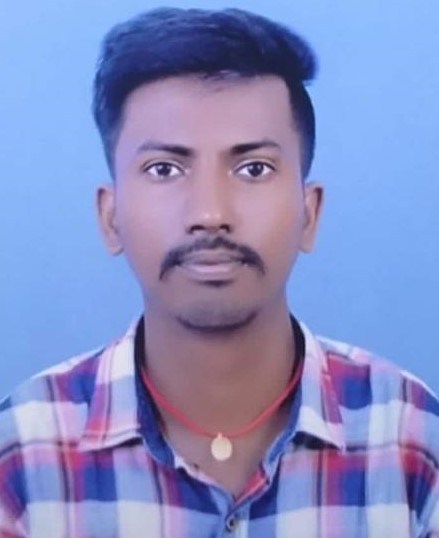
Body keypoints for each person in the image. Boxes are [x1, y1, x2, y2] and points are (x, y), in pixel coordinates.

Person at [0, 7, 438, 537]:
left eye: (254, 168)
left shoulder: (413, 440)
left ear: (310, 213)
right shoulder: (22, 457)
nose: (210, 213)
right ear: (110, 217)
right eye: (165, 169)